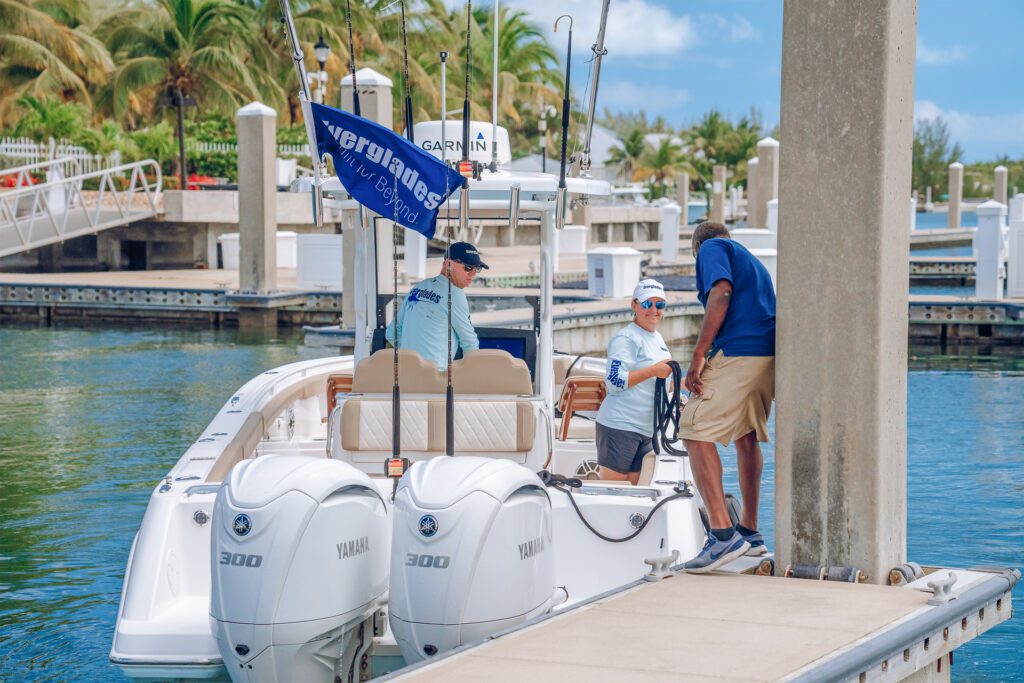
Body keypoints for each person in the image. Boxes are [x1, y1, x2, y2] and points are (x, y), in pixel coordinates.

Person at [678, 222, 776, 573]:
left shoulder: (711, 248)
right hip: (767, 355)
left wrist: (699, 354)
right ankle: (750, 532)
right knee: (745, 436)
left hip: (739, 353)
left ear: (697, 247)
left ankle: (723, 535)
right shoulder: (751, 261)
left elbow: (720, 292)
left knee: (693, 429)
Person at [594, 279, 675, 484]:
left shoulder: (657, 338)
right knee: (615, 493)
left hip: (646, 429)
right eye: (647, 304)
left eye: (660, 305)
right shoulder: (626, 339)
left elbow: (665, 381)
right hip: (620, 426)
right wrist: (653, 371)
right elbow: (614, 381)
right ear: (634, 305)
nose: (654, 310)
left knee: (634, 491)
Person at [386, 241, 486, 371]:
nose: (473, 274)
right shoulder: (454, 295)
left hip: (405, 375)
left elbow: (391, 333)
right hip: (434, 378)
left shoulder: (419, 288)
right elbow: (470, 343)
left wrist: (412, 360)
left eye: (477, 268)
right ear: (448, 264)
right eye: (467, 267)